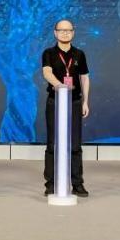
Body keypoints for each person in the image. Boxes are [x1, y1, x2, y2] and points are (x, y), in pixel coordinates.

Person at [41, 19, 89, 197]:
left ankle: (77, 184)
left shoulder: (79, 54)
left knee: (75, 144)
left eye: (68, 30)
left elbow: (84, 78)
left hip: (74, 102)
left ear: (73, 32)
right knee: (52, 144)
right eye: (61, 30)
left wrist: (85, 101)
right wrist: (60, 86)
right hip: (55, 101)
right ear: (55, 33)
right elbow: (47, 72)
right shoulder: (49, 53)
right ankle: (51, 184)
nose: (65, 33)